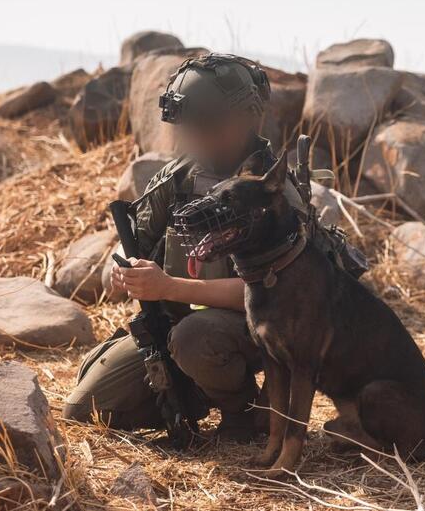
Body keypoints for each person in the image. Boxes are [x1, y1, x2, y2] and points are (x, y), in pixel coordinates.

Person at [63, 53, 282, 441]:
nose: (197, 137)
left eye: (210, 125)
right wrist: (126, 272)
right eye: (191, 127)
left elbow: (269, 292)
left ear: (248, 117)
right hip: (175, 326)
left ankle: (244, 410)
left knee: (194, 337)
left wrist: (169, 287)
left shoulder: (271, 190)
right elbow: (136, 246)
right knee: (85, 409)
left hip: (257, 329)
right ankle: (197, 389)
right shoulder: (179, 177)